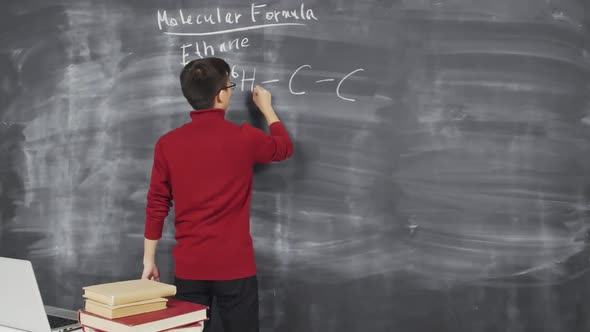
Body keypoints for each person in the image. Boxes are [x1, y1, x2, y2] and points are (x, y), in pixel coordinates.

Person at [141, 57, 293, 332]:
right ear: (221, 95)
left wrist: (148, 260)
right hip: (235, 267)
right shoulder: (244, 137)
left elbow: (157, 202)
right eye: (230, 85)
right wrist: (267, 109)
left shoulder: (167, 144)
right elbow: (283, 148)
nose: (232, 90)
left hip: (190, 268)